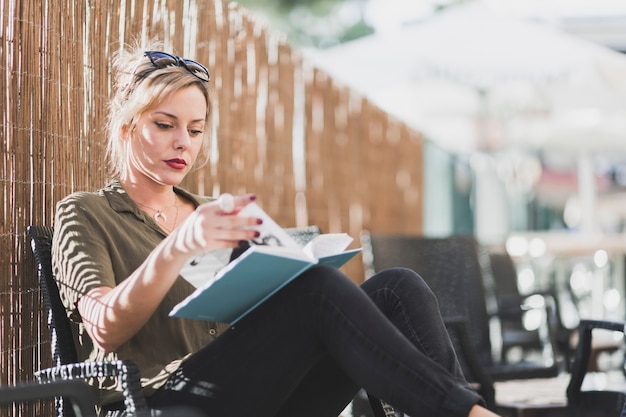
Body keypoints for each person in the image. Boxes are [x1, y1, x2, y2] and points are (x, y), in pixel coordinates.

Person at [52, 41, 501, 417]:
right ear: (128, 128)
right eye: (164, 125)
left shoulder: (213, 211)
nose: (183, 142)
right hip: (163, 401)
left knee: (397, 289)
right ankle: (469, 413)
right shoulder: (86, 214)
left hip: (259, 393)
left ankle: (458, 410)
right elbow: (105, 327)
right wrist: (176, 249)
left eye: (195, 129)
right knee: (318, 292)